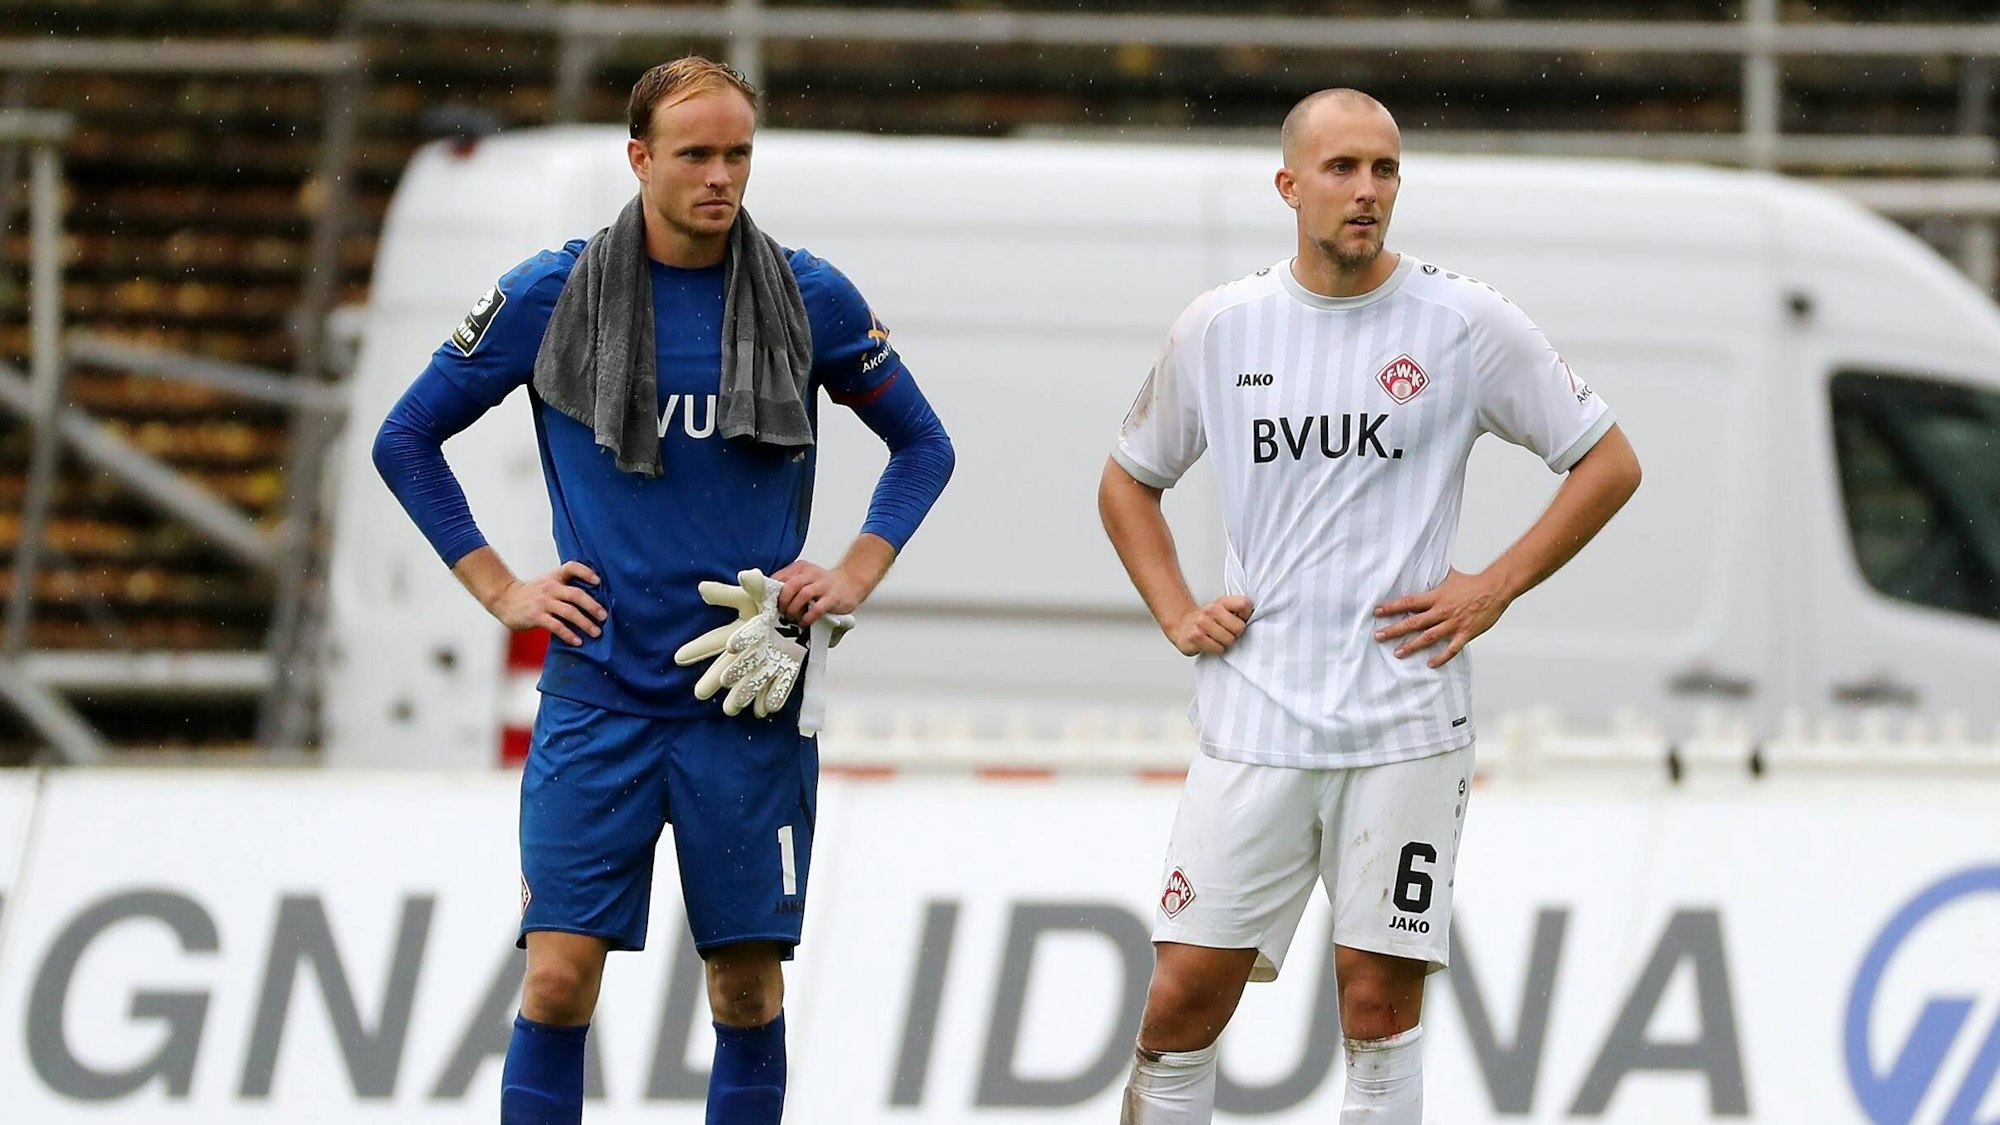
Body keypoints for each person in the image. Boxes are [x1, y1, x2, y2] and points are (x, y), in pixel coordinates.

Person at [371, 57, 953, 1124]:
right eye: (694, 154)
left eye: (737, 153)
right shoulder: (548, 291)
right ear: (638, 159)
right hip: (596, 694)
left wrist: (851, 572)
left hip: (749, 699)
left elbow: (922, 446)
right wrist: (500, 587)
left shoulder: (808, 294)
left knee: (743, 989)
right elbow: (405, 438)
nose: (720, 176)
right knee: (555, 978)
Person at [1098, 88, 1640, 1124]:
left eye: (1384, 170)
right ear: (1287, 184)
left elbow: (1606, 463)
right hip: (1253, 721)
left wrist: (1490, 585)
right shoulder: (1221, 327)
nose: (1366, 191)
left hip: (1402, 725)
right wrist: (1175, 609)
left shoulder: (1461, 322)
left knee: (1376, 1003)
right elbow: (1127, 480)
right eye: (1342, 169)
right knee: (1178, 998)